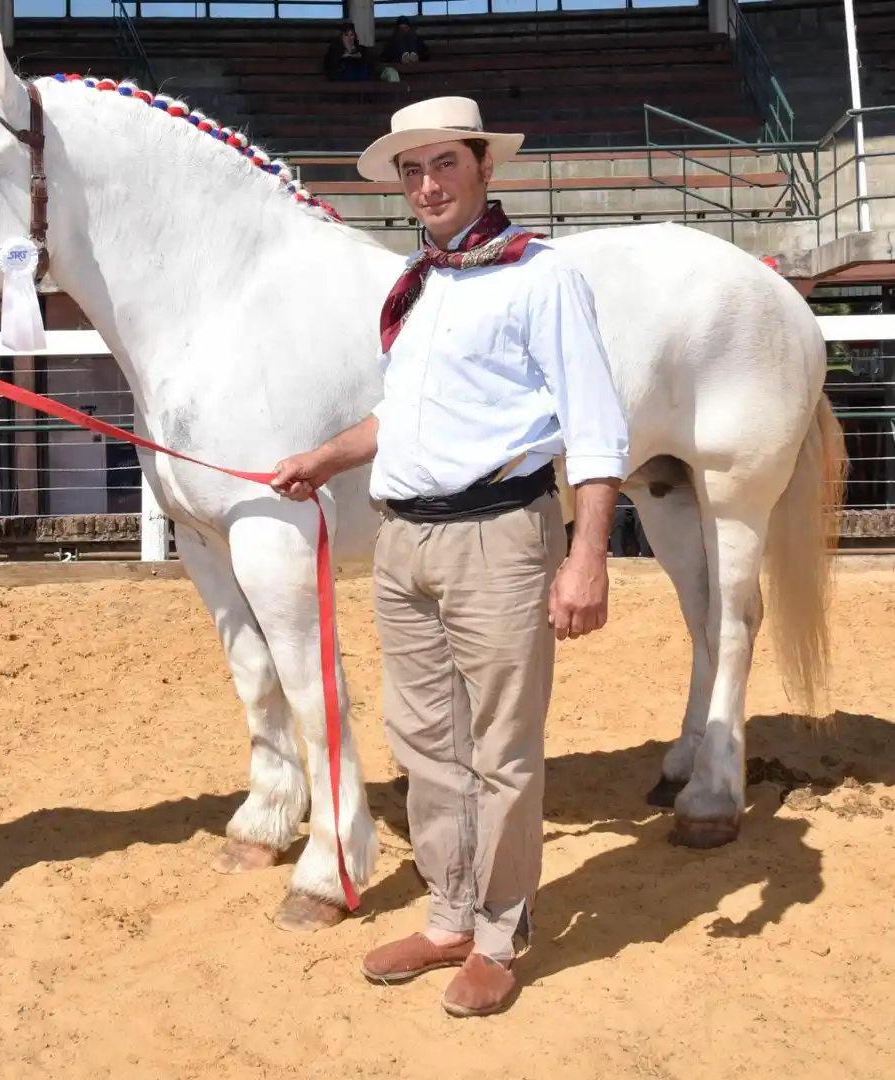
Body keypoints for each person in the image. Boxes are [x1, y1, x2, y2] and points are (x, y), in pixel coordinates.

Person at [270, 97, 630, 1017]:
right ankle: (450, 914)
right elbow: (403, 415)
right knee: (426, 742)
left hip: (499, 536)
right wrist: (325, 458)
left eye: (445, 165)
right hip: (405, 539)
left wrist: (587, 555)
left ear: (483, 168)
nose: (427, 185)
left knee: (502, 747)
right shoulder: (418, 283)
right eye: (412, 171)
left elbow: (595, 426)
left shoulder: (541, 276)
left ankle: (501, 933)